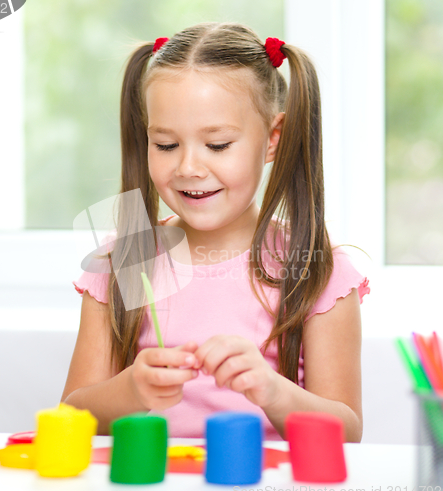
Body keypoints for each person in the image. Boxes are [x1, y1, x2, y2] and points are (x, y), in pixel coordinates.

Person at [62, 22, 370, 442]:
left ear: (273, 139)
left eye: (218, 144)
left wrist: (272, 390)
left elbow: (346, 433)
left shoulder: (317, 269)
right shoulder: (126, 259)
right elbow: (72, 415)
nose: (188, 167)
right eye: (166, 145)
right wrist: (131, 389)